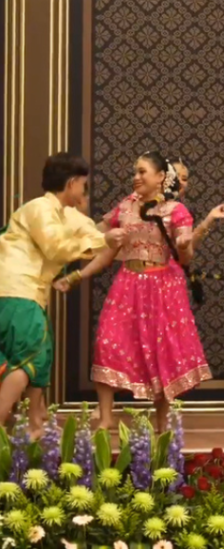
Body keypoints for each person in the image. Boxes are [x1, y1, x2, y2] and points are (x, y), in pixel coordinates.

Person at [58, 152, 210, 431]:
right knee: (107, 343)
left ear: (160, 177)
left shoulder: (176, 210)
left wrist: (185, 243)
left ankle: (162, 421)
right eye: (135, 172)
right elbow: (105, 249)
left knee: (162, 352)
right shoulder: (125, 207)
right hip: (127, 284)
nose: (136, 177)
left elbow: (184, 257)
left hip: (162, 288)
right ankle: (106, 416)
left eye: (142, 172)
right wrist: (78, 275)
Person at [0, 153, 122, 430]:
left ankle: (35, 423)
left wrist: (117, 231)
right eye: (83, 184)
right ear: (72, 183)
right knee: (27, 360)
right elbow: (57, 248)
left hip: (25, 295)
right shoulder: (40, 209)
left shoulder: (64, 213)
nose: (85, 191)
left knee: (40, 356)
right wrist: (105, 239)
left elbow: (91, 234)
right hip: (16, 292)